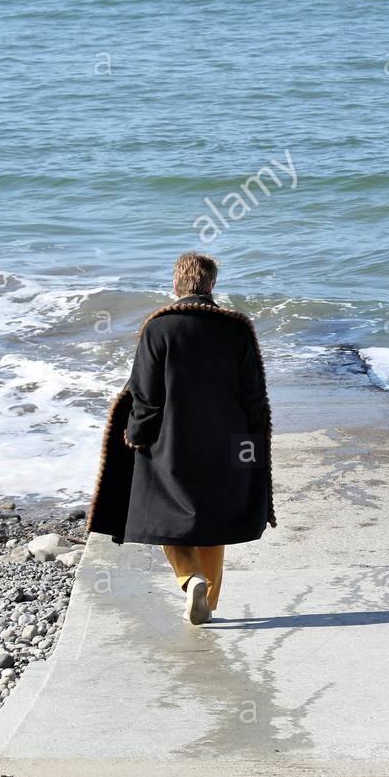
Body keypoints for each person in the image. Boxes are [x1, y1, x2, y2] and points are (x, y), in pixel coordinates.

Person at [87, 252, 275, 624]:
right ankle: (209, 601)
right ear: (211, 285)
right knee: (215, 519)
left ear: (176, 285)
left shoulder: (159, 328)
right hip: (227, 441)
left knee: (162, 515)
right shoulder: (237, 329)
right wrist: (254, 446)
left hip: (171, 441)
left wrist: (136, 435)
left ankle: (191, 579)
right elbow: (254, 395)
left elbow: (145, 395)